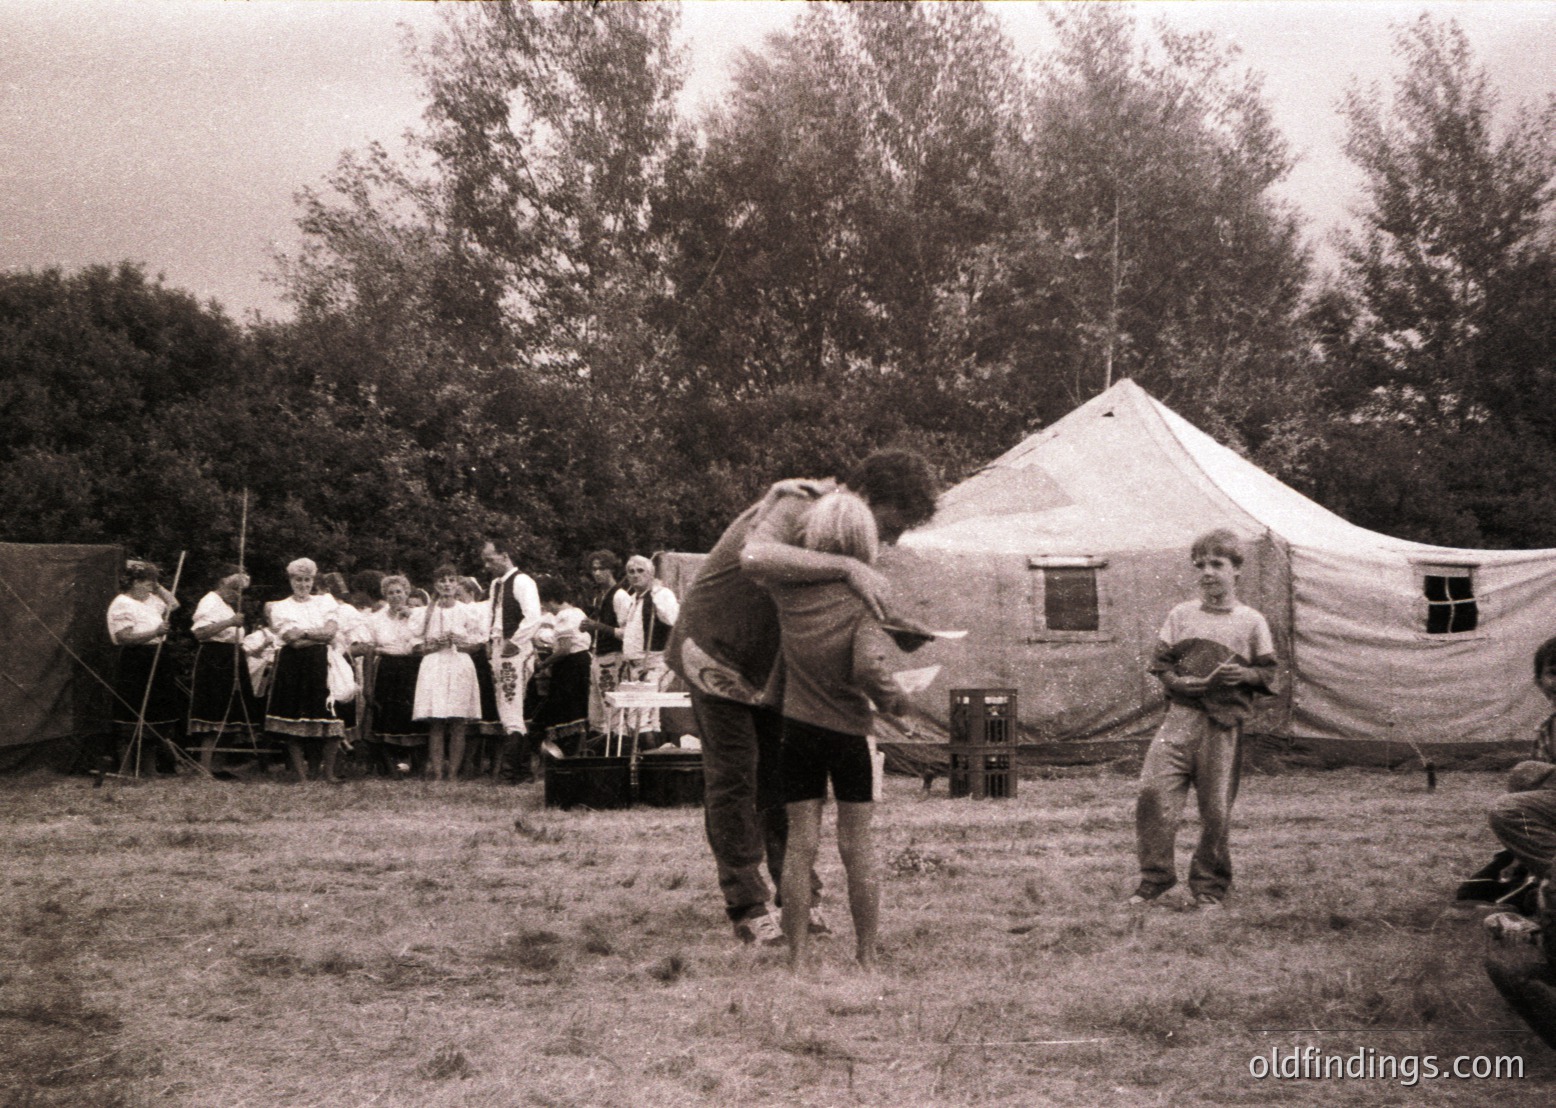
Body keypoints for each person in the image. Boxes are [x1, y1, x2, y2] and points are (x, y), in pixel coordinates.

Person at [666, 449, 939, 945]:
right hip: (718, 653)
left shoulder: (842, 536)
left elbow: (824, 605)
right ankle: (747, 904)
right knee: (736, 777)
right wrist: (849, 569)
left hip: (772, 667)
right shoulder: (801, 503)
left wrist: (893, 627)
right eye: (891, 525)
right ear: (870, 498)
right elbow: (756, 557)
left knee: (781, 781)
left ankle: (799, 901)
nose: (891, 540)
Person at [773, 492, 910, 972]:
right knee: (858, 846)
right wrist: (898, 701)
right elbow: (867, 667)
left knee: (799, 845)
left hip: (797, 727)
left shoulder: (789, 591)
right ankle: (867, 957)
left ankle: (796, 960)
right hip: (848, 731)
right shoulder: (867, 591)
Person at [1130, 529, 1277, 909]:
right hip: (1178, 721)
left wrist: (1242, 676)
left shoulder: (1251, 622)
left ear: (1237, 570)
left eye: (1217, 564)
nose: (1208, 573)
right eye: (1200, 566)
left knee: (1215, 811)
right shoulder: (1181, 615)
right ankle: (1155, 879)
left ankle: (1209, 887)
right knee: (1152, 795)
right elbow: (1160, 665)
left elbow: (1267, 673)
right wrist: (1184, 683)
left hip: (1221, 728)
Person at [1484, 638, 1556, 898]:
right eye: (1554, 673)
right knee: (1523, 779)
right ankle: (1535, 875)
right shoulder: (1546, 730)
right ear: (1538, 682)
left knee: (1518, 786)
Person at [264, 557, 345, 782]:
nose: (303, 584)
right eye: (298, 580)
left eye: (307, 580)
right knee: (295, 721)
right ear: (291, 581)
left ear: (313, 580)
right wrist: (318, 635)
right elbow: (292, 640)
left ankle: (328, 772)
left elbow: (330, 632)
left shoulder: (325, 601)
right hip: (294, 665)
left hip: (324, 664)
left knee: (330, 718)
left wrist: (306, 632)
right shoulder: (280, 607)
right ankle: (302, 775)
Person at [107, 560, 183, 776]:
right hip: (136, 659)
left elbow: (174, 604)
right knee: (131, 714)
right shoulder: (121, 603)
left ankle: (149, 770)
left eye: (154, 584)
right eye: (148, 583)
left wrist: (157, 585)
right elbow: (124, 637)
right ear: (134, 583)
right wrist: (154, 633)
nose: (152, 588)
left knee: (154, 716)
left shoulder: (151, 600)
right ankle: (126, 769)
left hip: (157, 657)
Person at [186, 563, 264, 771]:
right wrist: (230, 622)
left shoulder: (226, 604)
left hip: (232, 657)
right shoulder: (210, 601)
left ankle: (219, 767)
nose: (237, 595)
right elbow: (200, 633)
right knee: (214, 711)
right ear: (222, 583)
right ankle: (205, 767)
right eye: (233, 589)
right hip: (215, 658)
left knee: (232, 712)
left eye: (240, 591)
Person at [413, 564, 486, 781]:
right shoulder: (426, 612)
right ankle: (437, 773)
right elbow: (414, 643)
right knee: (436, 720)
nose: (447, 584)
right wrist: (432, 644)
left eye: (451, 580)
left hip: (459, 663)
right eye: (442, 580)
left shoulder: (468, 611)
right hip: (434, 664)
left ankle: (453, 773)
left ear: (457, 584)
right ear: (435, 584)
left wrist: (462, 642)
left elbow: (478, 642)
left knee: (457, 720)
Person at [481, 537, 542, 783]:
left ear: (504, 554)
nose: (486, 565)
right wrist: (489, 640)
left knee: (511, 705)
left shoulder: (522, 581)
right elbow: (493, 616)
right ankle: (521, 770)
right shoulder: (497, 584)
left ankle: (512, 772)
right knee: (507, 707)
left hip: (513, 650)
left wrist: (513, 643)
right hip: (499, 647)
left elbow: (533, 617)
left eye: (490, 559)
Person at [360, 575, 426, 775]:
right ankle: (389, 767)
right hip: (386, 668)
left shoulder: (419, 615)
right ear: (385, 595)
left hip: (413, 667)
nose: (396, 596)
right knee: (386, 715)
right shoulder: (375, 618)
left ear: (407, 593)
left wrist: (411, 617)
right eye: (391, 592)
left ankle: (417, 767)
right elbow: (369, 652)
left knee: (413, 716)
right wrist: (367, 685)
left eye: (399, 592)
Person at [616, 555, 680, 746]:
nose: (635, 575)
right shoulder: (634, 598)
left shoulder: (662, 594)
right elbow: (629, 631)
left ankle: (650, 764)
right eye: (631, 572)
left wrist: (655, 594)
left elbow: (673, 620)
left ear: (651, 573)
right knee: (639, 716)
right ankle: (649, 761)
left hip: (656, 663)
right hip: (636, 665)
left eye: (640, 571)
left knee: (643, 716)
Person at [531, 575, 593, 755]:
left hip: (570, 667)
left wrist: (543, 664)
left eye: (544, 602)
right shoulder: (578, 612)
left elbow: (564, 649)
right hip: (581, 663)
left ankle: (566, 754)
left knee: (564, 712)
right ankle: (575, 753)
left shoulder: (564, 616)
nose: (544, 607)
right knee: (577, 712)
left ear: (550, 599)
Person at [458, 575, 503, 776]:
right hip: (461, 661)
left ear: (471, 592)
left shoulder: (481, 609)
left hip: (480, 660)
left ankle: (495, 765)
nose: (457, 598)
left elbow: (483, 638)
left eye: (460, 594)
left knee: (489, 713)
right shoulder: (455, 611)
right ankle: (469, 765)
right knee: (469, 716)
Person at [580, 550, 627, 737]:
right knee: (596, 713)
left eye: (602, 568)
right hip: (598, 656)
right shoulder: (600, 596)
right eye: (594, 569)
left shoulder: (620, 596)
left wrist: (598, 626)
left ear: (612, 570)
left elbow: (627, 633)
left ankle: (616, 749)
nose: (597, 573)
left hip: (613, 656)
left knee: (612, 709)